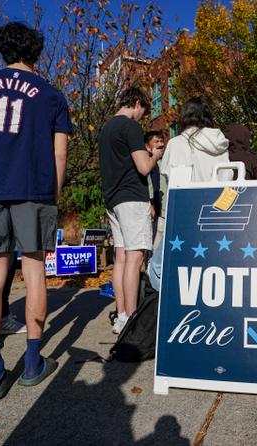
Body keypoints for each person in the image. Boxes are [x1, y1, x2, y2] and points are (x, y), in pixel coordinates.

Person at [0, 22, 72, 402]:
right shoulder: (52, 95)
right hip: (34, 190)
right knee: (34, 269)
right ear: (36, 51)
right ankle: (32, 361)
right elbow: (59, 154)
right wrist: (52, 197)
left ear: (1, 49)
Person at [149, 97, 230, 291]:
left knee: (158, 267)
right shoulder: (219, 143)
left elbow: (169, 183)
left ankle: (172, 305)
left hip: (184, 218)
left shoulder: (176, 144)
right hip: (216, 217)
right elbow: (227, 181)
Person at [100, 87, 161, 335]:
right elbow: (144, 168)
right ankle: (131, 319)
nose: (142, 117)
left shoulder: (106, 129)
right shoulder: (131, 127)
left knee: (121, 258)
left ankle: (121, 315)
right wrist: (155, 155)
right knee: (135, 260)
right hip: (132, 198)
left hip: (113, 198)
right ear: (137, 103)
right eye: (143, 112)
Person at [144, 130, 164, 248]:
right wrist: (150, 203)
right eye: (156, 141)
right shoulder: (146, 163)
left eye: (161, 141)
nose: (160, 144)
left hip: (162, 209)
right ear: (147, 146)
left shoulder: (164, 162)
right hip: (150, 207)